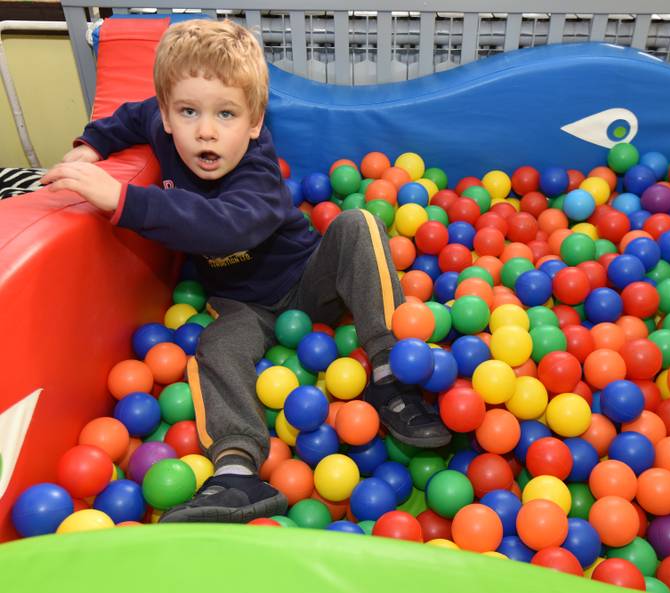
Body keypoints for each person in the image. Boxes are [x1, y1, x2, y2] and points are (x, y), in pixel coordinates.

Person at [40, 19, 450, 523]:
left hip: (307, 284)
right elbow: (128, 117)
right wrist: (91, 145)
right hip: (241, 304)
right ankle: (236, 473)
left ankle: (390, 374)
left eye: (226, 114)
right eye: (188, 111)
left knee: (357, 223)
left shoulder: (256, 170)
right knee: (214, 347)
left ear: (255, 122)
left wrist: (123, 199)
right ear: (167, 115)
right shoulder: (158, 122)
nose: (206, 130)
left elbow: (222, 228)